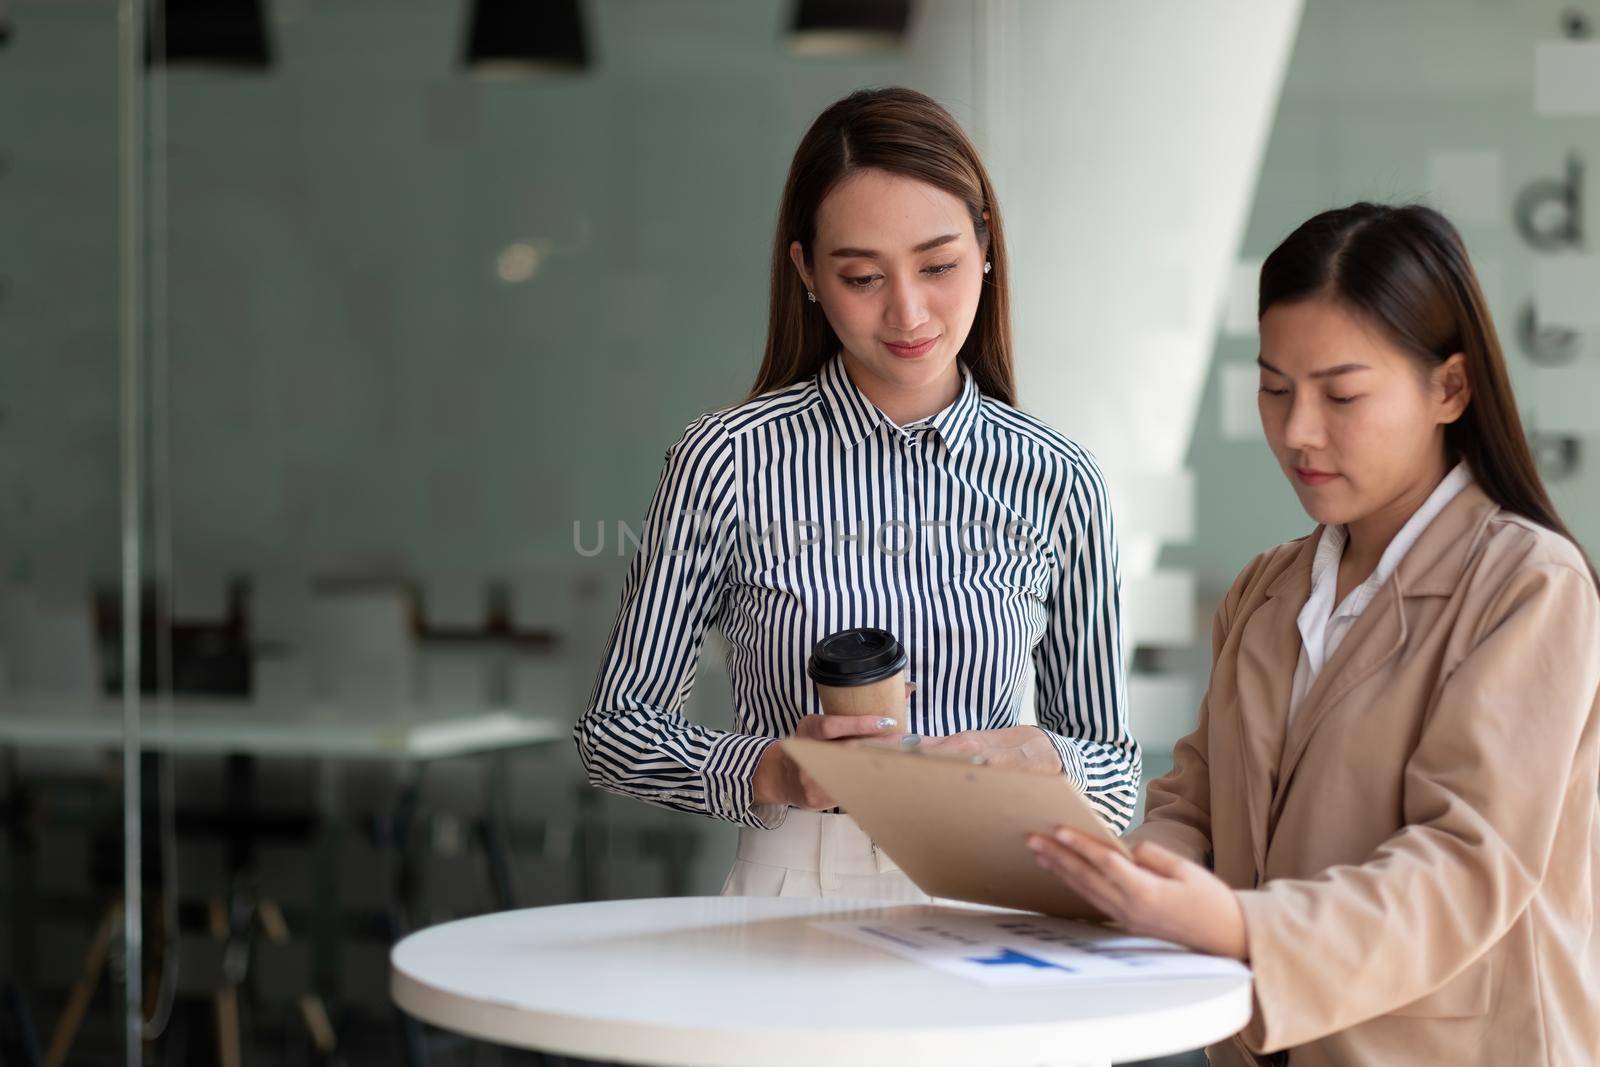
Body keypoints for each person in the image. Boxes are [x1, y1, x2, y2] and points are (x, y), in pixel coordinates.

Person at [1028, 202, 1600, 1065]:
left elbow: (1463, 866)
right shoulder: (1266, 591)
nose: (1297, 432)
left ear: (1449, 387)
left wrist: (1236, 924)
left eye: (1341, 394)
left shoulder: (1529, 584)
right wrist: (1127, 877)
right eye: (1273, 387)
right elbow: (1196, 803)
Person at [576, 86, 1140, 900]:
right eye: (862, 276)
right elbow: (613, 732)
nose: (908, 312)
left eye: (939, 265)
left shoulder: (1057, 478)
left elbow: (1118, 774)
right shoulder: (726, 461)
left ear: (986, 248)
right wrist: (773, 766)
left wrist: (1041, 758)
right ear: (807, 271)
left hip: (995, 890)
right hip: (795, 886)